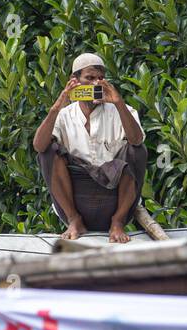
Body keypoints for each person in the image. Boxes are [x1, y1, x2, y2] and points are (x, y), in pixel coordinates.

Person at [32, 53, 146, 243]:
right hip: (77, 198)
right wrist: (57, 106)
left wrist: (118, 103)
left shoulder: (122, 110)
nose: (95, 84)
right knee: (48, 152)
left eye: (100, 78)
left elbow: (136, 140)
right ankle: (74, 220)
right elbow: (38, 146)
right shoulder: (64, 114)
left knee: (138, 150)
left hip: (113, 197)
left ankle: (117, 222)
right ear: (74, 82)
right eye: (89, 78)